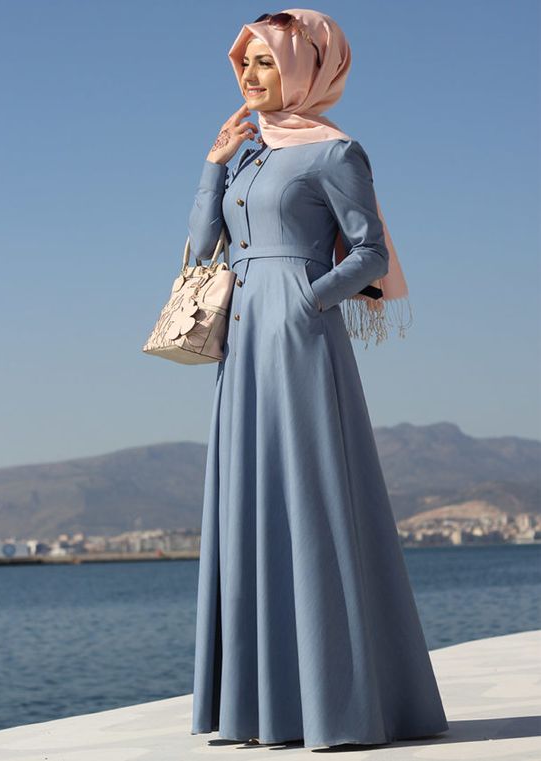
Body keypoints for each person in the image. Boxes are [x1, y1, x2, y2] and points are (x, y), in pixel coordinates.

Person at [188, 9, 449, 750]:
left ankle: (339, 708)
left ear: (305, 69)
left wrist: (305, 300)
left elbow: (370, 253)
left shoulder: (335, 153)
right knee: (249, 504)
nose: (250, 76)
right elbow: (201, 252)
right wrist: (213, 165)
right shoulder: (245, 157)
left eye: (266, 61)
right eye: (244, 62)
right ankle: (256, 709)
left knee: (311, 500)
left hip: (298, 339)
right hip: (242, 342)